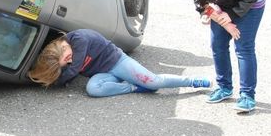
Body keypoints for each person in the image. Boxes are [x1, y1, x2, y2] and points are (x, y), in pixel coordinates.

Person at [170, 0, 265, 112]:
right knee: (217, 45)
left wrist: (232, 15)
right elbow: (201, 2)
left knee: (243, 47)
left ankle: (248, 95)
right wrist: (209, 16)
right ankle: (224, 88)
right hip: (224, 0)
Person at [28, 28, 210, 97]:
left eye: (67, 57)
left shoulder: (80, 38)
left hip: (118, 63)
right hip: (104, 74)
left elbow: (74, 70)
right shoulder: (65, 51)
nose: (71, 61)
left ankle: (193, 81)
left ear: (63, 45)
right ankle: (132, 87)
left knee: (155, 82)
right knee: (93, 89)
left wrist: (59, 80)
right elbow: (70, 71)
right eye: (66, 63)